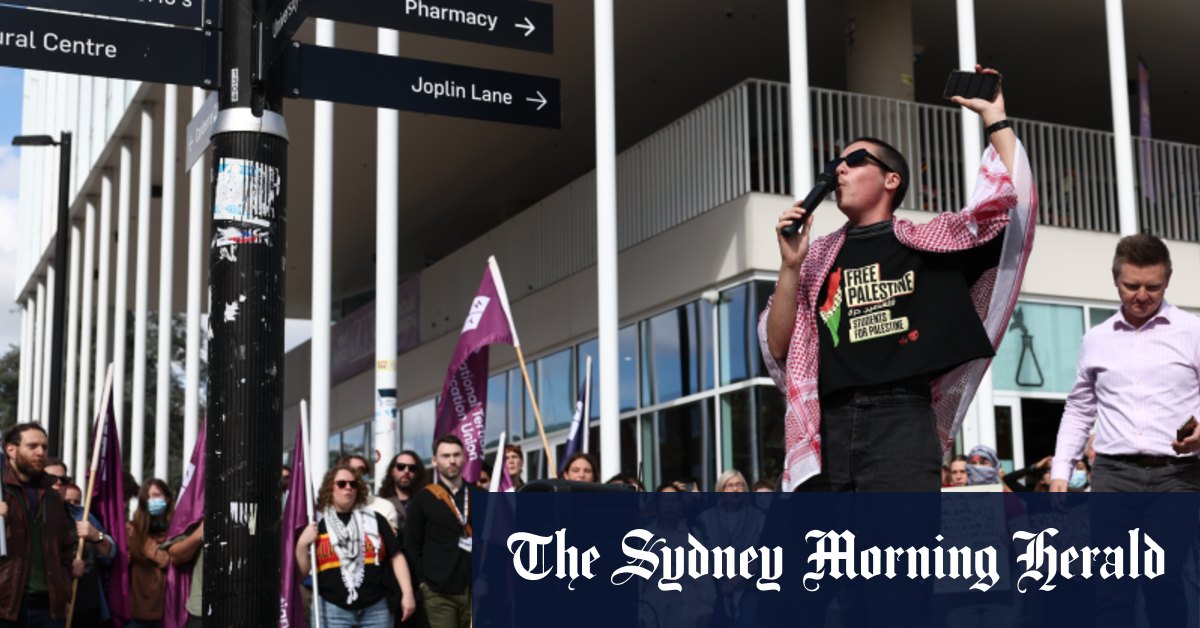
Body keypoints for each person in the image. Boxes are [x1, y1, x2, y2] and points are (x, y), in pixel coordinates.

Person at [759, 66, 1034, 492]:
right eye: (835, 164)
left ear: (892, 179)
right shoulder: (815, 259)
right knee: (828, 557)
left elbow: (1013, 207)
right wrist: (790, 266)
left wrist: (993, 117)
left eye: (853, 160)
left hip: (902, 420)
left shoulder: (930, 244)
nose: (839, 172)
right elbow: (779, 346)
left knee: (897, 554)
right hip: (828, 421)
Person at [1051, 234, 1200, 491]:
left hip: (1180, 475)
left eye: (1152, 287)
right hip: (1113, 476)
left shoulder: (1194, 332)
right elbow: (1079, 410)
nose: (1142, 296)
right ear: (1115, 279)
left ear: (1168, 281)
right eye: (1131, 286)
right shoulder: (1095, 340)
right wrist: (1061, 470)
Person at [0, 424, 82, 627]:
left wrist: (64, 587)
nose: (40, 452)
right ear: (10, 449)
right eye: (32, 446)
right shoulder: (0, 490)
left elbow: (65, 546)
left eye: (44, 447)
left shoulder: (52, 496)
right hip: (6, 606)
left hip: (48, 608)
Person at [405, 435, 477, 628]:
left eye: (456, 455)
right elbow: (411, 544)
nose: (451, 460)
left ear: (464, 458)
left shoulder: (480, 495)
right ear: (435, 461)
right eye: (445, 456)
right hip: (439, 592)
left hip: (477, 590)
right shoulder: (423, 499)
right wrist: (423, 582)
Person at [43, 460, 113, 628]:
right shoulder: (30, 515)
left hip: (85, 607)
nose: (59, 483)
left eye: (64, 479)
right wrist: (66, 569)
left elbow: (110, 553)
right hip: (46, 608)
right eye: (52, 478)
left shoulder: (82, 514)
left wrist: (97, 536)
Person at [127, 479, 174, 628]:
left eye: (156, 495)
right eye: (148, 497)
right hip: (138, 613)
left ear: (167, 498)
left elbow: (166, 560)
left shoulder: (177, 527)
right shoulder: (132, 529)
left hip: (169, 609)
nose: (152, 500)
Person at [340, 455, 400, 534]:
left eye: (362, 470)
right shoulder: (330, 507)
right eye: (352, 470)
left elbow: (392, 541)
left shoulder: (385, 507)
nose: (357, 474)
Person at [378, 451, 427, 538]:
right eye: (401, 467)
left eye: (412, 468)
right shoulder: (381, 503)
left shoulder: (426, 501)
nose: (406, 471)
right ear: (392, 471)